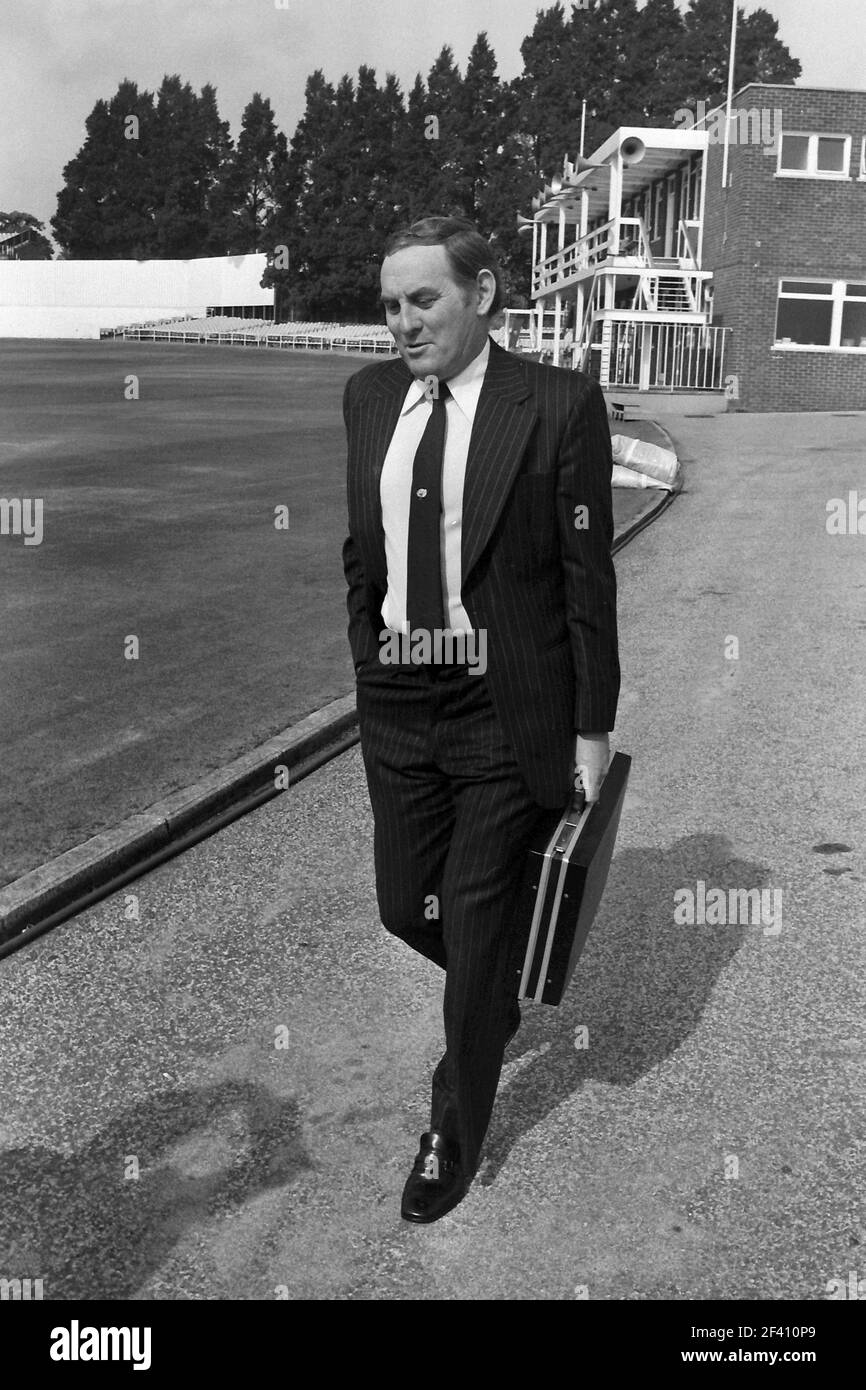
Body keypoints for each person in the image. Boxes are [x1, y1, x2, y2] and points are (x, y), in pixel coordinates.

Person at [342, 215, 619, 1223]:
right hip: (401, 698)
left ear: (482, 293)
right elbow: (361, 549)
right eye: (388, 304)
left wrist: (589, 726)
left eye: (423, 299)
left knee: (468, 905)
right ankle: (491, 986)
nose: (401, 322)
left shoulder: (555, 404)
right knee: (400, 904)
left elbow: (587, 577)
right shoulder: (368, 396)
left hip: (505, 704)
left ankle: (449, 1136)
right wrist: (370, 660)